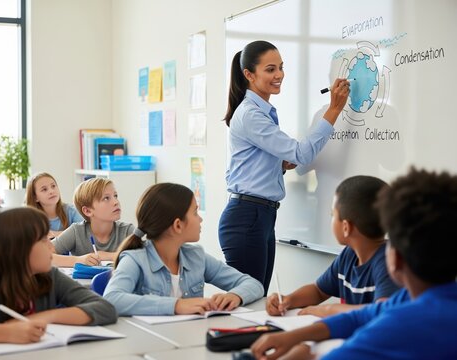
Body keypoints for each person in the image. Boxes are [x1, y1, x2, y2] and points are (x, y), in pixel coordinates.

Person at [251, 167, 457, 360]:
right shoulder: (408, 299)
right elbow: (359, 317)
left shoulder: (398, 324)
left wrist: (304, 352)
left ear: (397, 259)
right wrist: (294, 337)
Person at [218, 40, 350, 293]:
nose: (279, 75)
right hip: (248, 217)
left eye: (281, 67)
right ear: (249, 74)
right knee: (249, 304)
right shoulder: (251, 114)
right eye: (270, 69)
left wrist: (279, 163)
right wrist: (334, 109)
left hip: (260, 215)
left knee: (256, 299)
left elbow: (270, 160)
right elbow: (301, 153)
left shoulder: (261, 111)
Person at [0, 207, 117, 346]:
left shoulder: (49, 276)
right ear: (17, 250)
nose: (51, 247)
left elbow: (105, 309)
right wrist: (6, 333)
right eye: (43, 240)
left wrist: (44, 317)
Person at [103, 183, 264, 316]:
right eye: (195, 212)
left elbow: (253, 284)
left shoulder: (196, 256)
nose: (200, 219)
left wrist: (235, 295)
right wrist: (176, 305)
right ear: (178, 225)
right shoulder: (134, 260)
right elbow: (111, 299)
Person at [267, 175, 399, 318]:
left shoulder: (388, 262)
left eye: (332, 215)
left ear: (346, 227)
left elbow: (382, 312)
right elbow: (318, 291)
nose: (331, 219)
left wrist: (328, 310)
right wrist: (289, 300)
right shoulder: (349, 254)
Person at [51, 177, 134, 267]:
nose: (116, 202)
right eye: (106, 198)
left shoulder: (127, 231)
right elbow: (40, 255)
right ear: (87, 211)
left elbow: (146, 256)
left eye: (115, 196)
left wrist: (108, 256)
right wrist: (78, 260)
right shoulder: (76, 231)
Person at [25, 172, 83, 238]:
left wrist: (53, 234)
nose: (51, 191)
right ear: (35, 197)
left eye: (53, 186)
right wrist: (68, 234)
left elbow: (82, 234)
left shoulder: (72, 211)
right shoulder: (31, 219)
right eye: (44, 189)